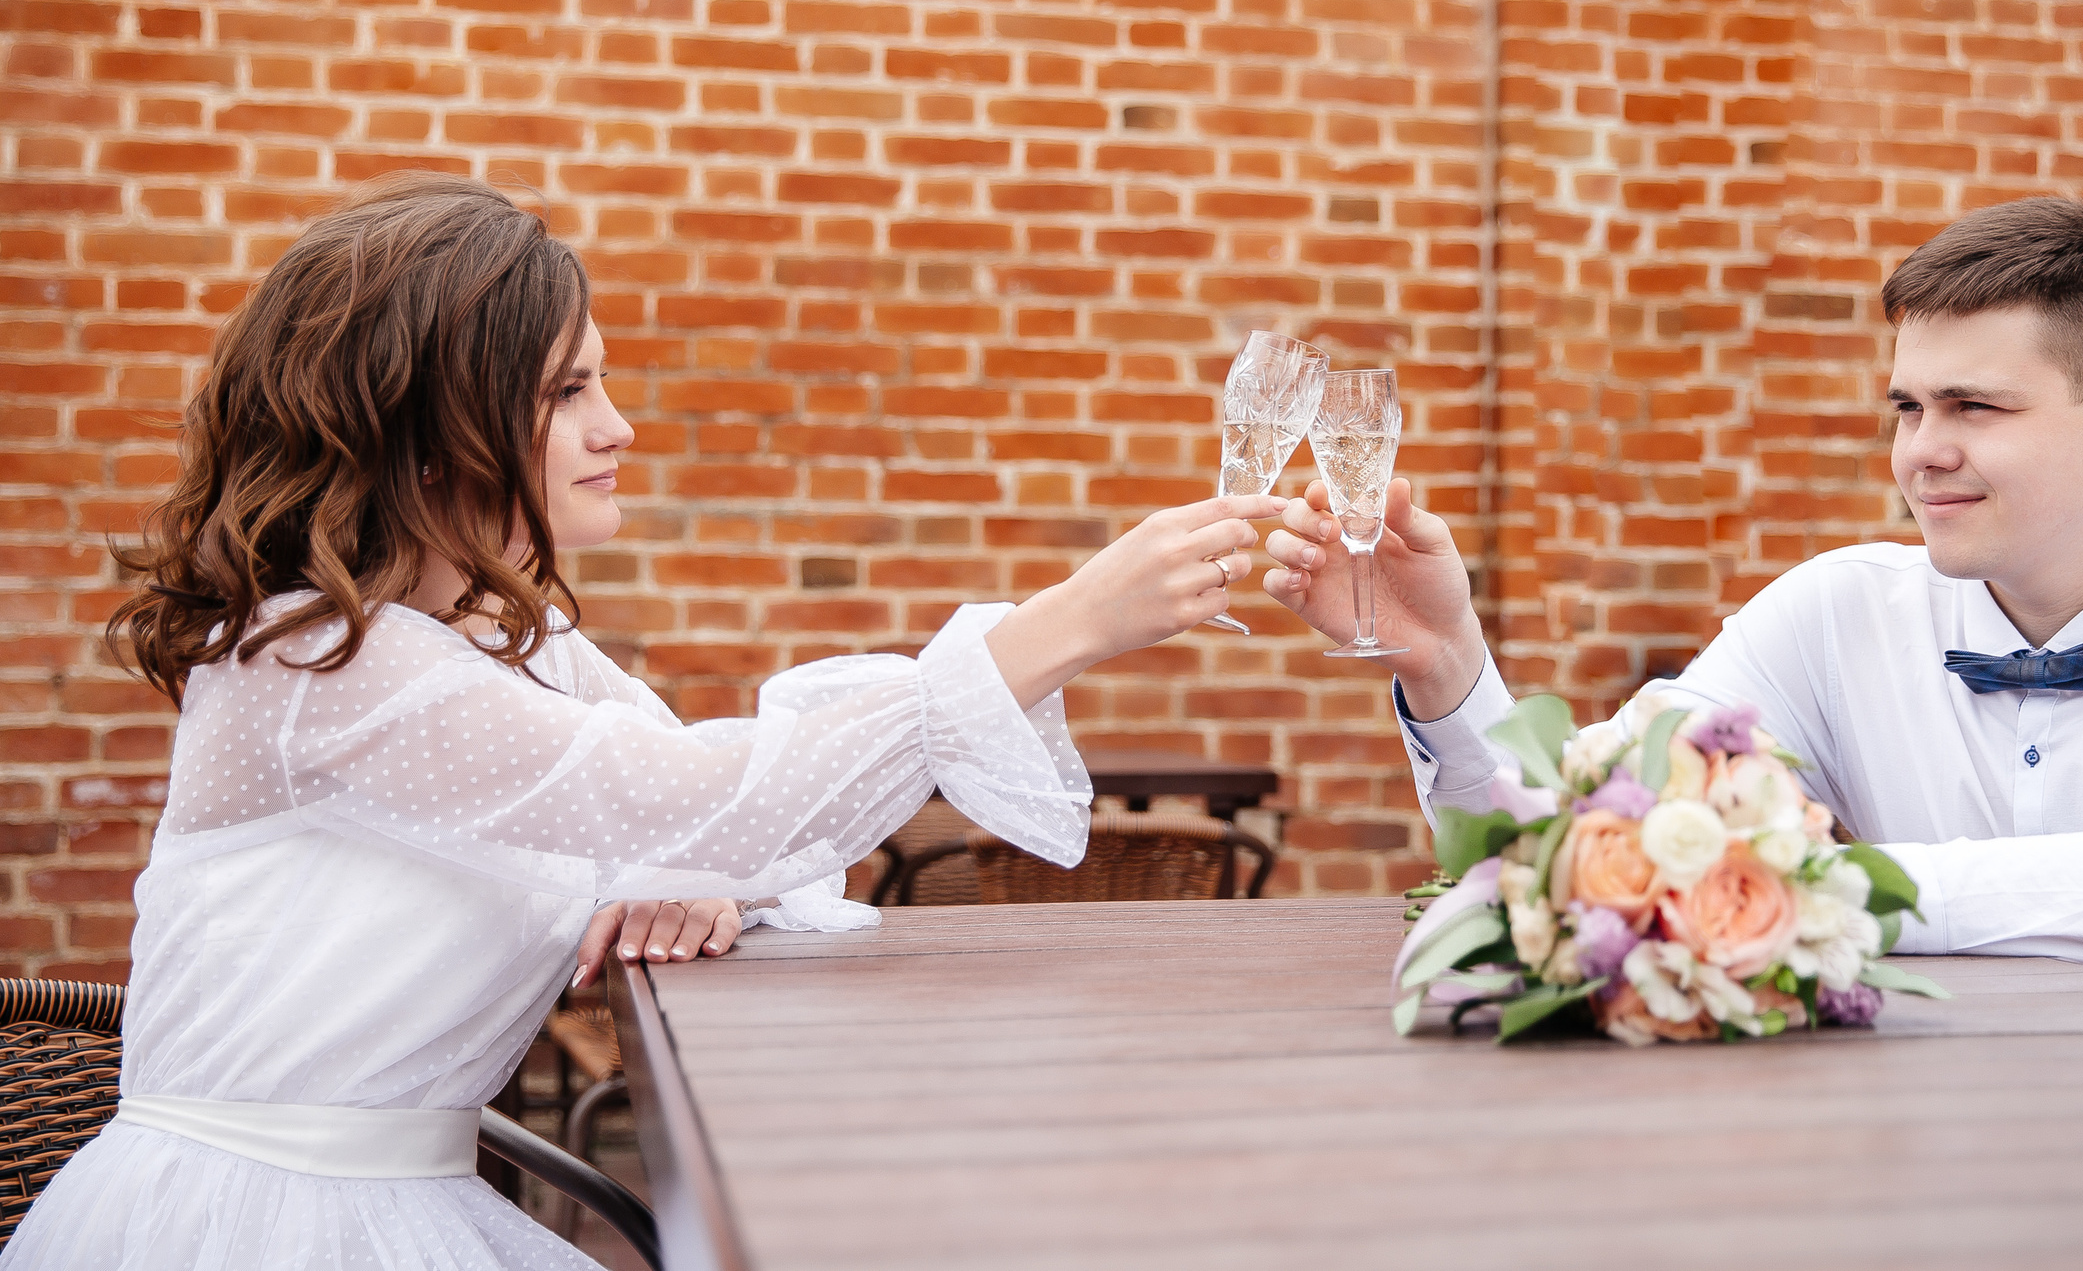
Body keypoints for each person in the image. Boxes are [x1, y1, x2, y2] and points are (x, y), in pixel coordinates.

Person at [4, 174, 1280, 1271]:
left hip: (414, 1202)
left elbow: (703, 804)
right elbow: (720, 799)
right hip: (258, 1230)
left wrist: (696, 876)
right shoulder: (321, 667)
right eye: (567, 394)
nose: (617, 429)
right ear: (427, 428)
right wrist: (1065, 624)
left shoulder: (516, 646)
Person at [1262, 196, 2083, 1036]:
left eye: (1973, 405)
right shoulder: (1835, 608)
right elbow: (1582, 849)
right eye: (1907, 406)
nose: (1921, 454)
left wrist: (1793, 892)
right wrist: (1447, 668)